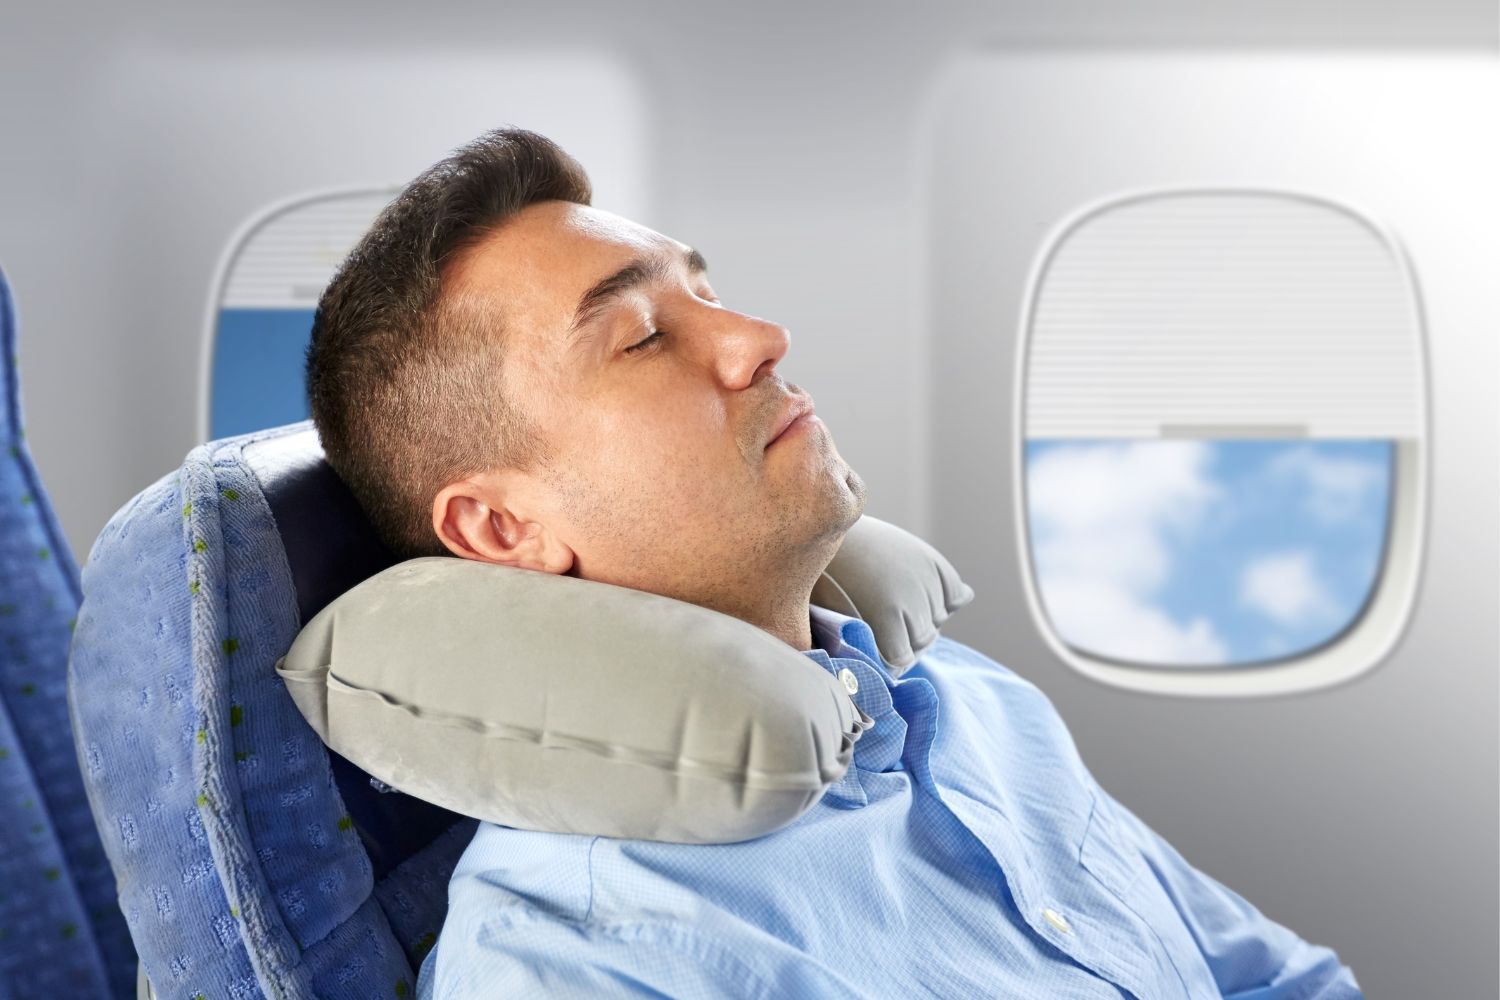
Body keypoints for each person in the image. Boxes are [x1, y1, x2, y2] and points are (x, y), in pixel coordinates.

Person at [306, 126, 1363, 999]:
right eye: (640, 336)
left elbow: (1279, 982)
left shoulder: (969, 702)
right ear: (502, 531)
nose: (761, 335)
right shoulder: (582, 960)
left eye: (708, 291)